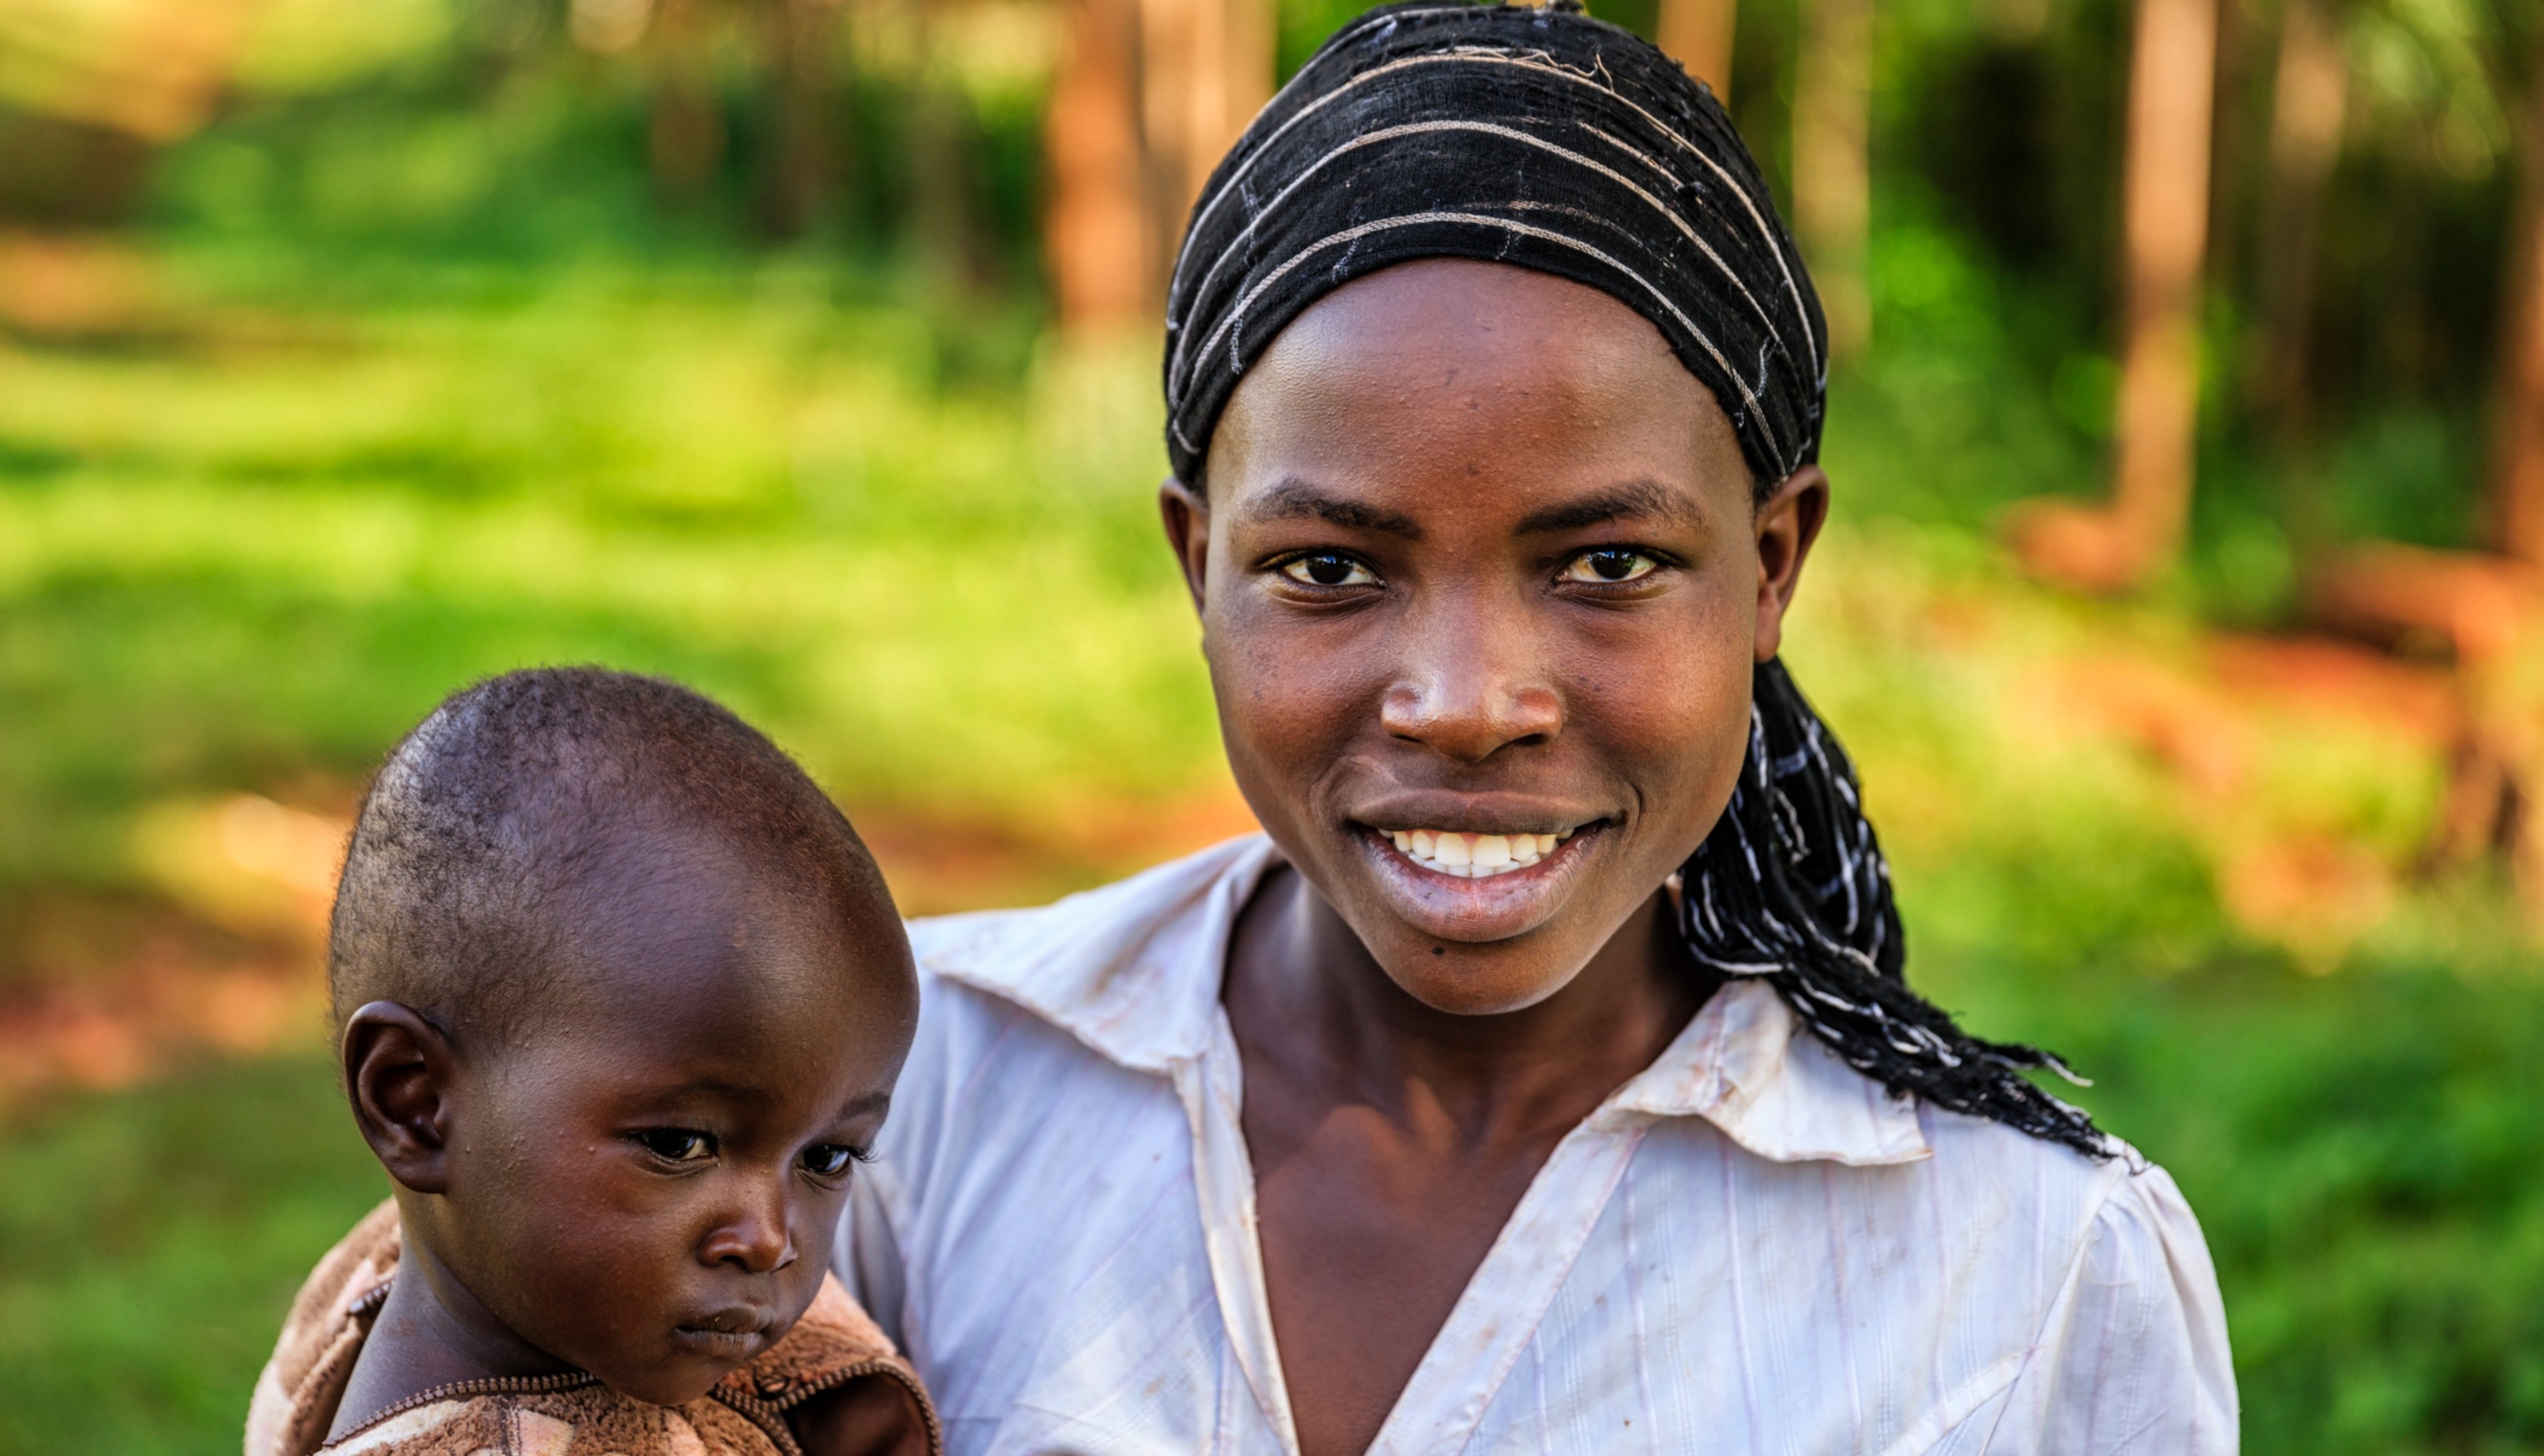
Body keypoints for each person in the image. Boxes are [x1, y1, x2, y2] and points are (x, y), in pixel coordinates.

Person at [842, 4, 2238, 1452]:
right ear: (1201, 566)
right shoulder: (897, 1097)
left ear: (1771, 565)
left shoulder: (2031, 1276)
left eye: (1608, 563)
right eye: (1331, 566)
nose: (1465, 704)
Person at [245, 668, 940, 1456]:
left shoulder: (429, 1265)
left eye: (826, 1156)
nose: (770, 1239)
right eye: (680, 1144)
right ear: (416, 1104)